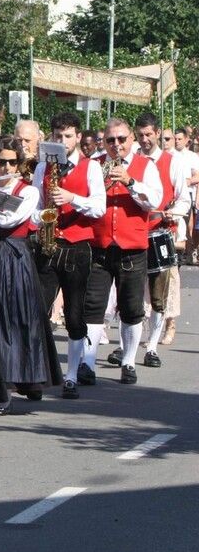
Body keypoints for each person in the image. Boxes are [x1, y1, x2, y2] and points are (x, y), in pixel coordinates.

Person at [0, 138, 60, 412]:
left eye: (11, 162)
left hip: (12, 260)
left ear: (19, 164)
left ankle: (11, 385)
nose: (6, 166)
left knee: (13, 323)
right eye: (0, 162)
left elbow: (8, 220)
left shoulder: (28, 191)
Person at [31, 112, 105, 400]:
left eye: (68, 136)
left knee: (75, 315)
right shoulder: (42, 168)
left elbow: (99, 207)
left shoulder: (90, 168)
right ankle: (37, 375)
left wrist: (73, 198)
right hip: (48, 245)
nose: (62, 141)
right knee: (38, 311)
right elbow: (34, 209)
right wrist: (42, 215)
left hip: (77, 247)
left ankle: (72, 376)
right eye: (57, 136)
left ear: (77, 138)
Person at [85, 117, 161, 387]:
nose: (116, 145)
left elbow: (154, 200)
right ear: (103, 142)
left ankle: (128, 362)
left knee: (131, 309)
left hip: (131, 248)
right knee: (92, 307)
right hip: (100, 245)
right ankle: (87, 362)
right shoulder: (94, 165)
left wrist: (130, 182)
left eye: (121, 139)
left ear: (131, 140)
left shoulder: (145, 166)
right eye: (110, 140)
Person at [125, 113, 184, 370]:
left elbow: (183, 198)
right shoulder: (131, 161)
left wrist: (174, 212)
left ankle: (151, 346)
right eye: (141, 135)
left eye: (149, 134)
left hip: (160, 231)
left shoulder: (172, 162)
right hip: (133, 234)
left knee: (159, 294)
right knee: (131, 292)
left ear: (158, 133)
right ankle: (127, 345)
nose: (145, 139)